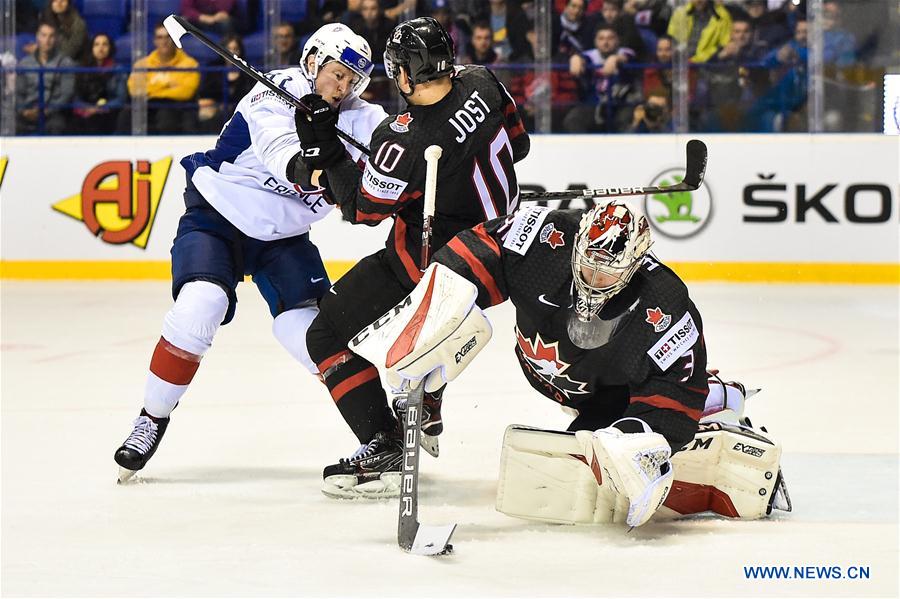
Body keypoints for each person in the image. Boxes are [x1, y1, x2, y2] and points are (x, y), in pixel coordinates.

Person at [352, 200, 790, 524]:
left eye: (608, 271)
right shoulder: (547, 236)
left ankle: (722, 398)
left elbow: (676, 392)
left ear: (636, 263)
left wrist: (642, 439)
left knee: (599, 463)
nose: (593, 278)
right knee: (459, 321)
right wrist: (436, 315)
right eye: (588, 263)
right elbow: (478, 248)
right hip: (554, 377)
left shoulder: (664, 305)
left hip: (612, 394)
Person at [112, 24, 387, 482]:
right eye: (336, 74)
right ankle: (151, 418)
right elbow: (289, 161)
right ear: (314, 61)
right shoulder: (275, 92)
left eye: (351, 81)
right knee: (202, 302)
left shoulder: (362, 117)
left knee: (312, 333)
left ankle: (382, 434)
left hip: (281, 238)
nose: (342, 88)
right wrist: (328, 165)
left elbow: (405, 147)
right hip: (218, 215)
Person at [297, 16, 530, 498]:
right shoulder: (483, 81)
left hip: (431, 267)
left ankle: (384, 438)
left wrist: (327, 152)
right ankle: (432, 385)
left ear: (404, 74)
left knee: (325, 334)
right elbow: (520, 145)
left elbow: (361, 209)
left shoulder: (403, 138)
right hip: (500, 252)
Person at [123, 23, 201, 134]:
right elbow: (135, 90)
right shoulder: (141, 64)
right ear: (155, 41)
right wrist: (167, 85)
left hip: (175, 107)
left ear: (174, 39)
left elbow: (186, 92)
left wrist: (152, 88)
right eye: (160, 37)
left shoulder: (190, 64)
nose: (164, 41)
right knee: (126, 115)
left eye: (168, 37)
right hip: (148, 105)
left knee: (166, 116)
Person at [16, 21, 75, 134]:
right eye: (43, 35)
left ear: (56, 38)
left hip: (53, 113)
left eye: (51, 36)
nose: (47, 41)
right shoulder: (24, 63)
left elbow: (67, 94)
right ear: (37, 36)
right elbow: (19, 92)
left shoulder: (66, 63)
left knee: (57, 125)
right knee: (11, 125)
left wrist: (46, 111)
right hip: (28, 112)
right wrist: (23, 111)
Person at [196, 33, 255, 133]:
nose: (232, 53)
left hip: (240, 111)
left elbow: (251, 96)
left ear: (240, 51)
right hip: (216, 109)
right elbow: (205, 94)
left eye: (235, 49)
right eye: (229, 49)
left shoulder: (248, 73)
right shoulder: (213, 70)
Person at [72, 33, 127, 134]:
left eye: (104, 44)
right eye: (96, 44)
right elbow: (76, 98)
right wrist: (87, 108)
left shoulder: (118, 70)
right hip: (86, 112)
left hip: (108, 113)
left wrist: (100, 108)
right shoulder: (82, 69)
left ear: (110, 48)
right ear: (91, 48)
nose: (100, 48)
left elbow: (121, 98)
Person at [666, 0, 732, 63]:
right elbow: (671, 40)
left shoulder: (722, 16)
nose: (699, 0)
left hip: (707, 64)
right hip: (680, 63)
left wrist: (698, 59)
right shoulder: (680, 13)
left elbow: (723, 45)